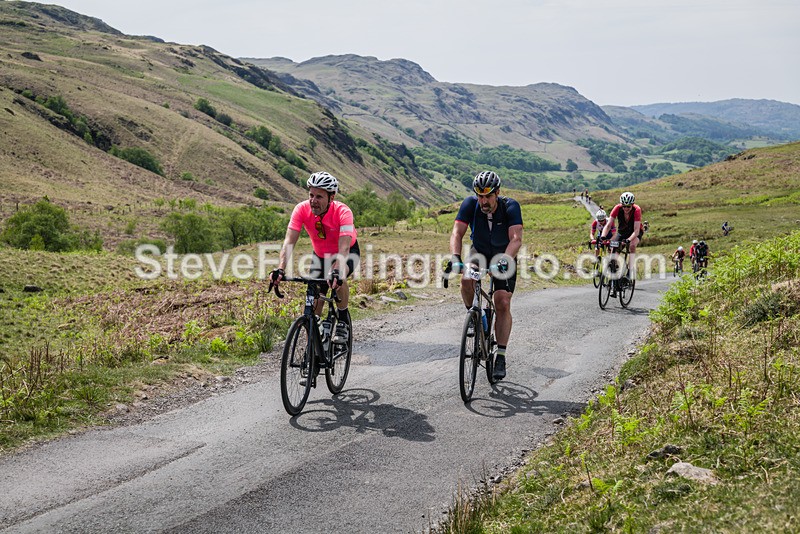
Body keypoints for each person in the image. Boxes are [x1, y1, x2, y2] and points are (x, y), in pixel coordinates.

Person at [445, 171, 523, 381]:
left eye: (488, 196)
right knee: (466, 280)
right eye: (480, 196)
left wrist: (505, 259)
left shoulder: (510, 206)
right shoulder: (470, 204)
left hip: (503, 255)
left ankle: (501, 355)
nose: (483, 201)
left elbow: (516, 238)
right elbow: (457, 232)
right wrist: (454, 257)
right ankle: (476, 316)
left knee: (502, 301)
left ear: (497, 192)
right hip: (478, 254)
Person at [270, 171, 360, 345]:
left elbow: (343, 247)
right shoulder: (301, 209)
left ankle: (342, 320)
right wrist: (281, 268)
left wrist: (336, 270)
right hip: (320, 256)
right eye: (311, 195)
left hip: (347, 252)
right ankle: (315, 341)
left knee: (338, 276)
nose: (313, 200)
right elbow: (289, 242)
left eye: (319, 196)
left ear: (331, 197)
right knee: (315, 301)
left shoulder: (343, 212)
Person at [600, 191, 642, 284]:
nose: (626, 208)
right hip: (622, 232)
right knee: (612, 250)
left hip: (634, 232)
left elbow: (636, 231)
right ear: (621, 204)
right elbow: (608, 225)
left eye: (628, 206)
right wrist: (603, 236)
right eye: (624, 206)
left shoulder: (637, 210)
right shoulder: (617, 208)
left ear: (632, 205)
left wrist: (628, 240)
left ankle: (630, 271)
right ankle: (615, 271)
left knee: (632, 246)